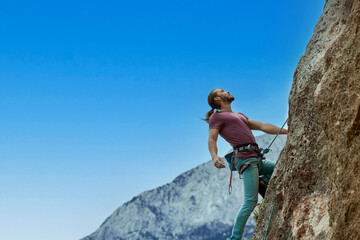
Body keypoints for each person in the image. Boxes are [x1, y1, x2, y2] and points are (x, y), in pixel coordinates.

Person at [204, 88, 288, 240]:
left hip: (256, 159)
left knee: (283, 168)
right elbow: (212, 139)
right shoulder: (216, 117)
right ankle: (234, 238)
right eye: (223, 91)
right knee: (250, 202)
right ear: (217, 99)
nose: (227, 91)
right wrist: (214, 156)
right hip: (246, 160)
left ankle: (262, 182)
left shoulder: (239, 116)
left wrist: (287, 131)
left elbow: (263, 126)